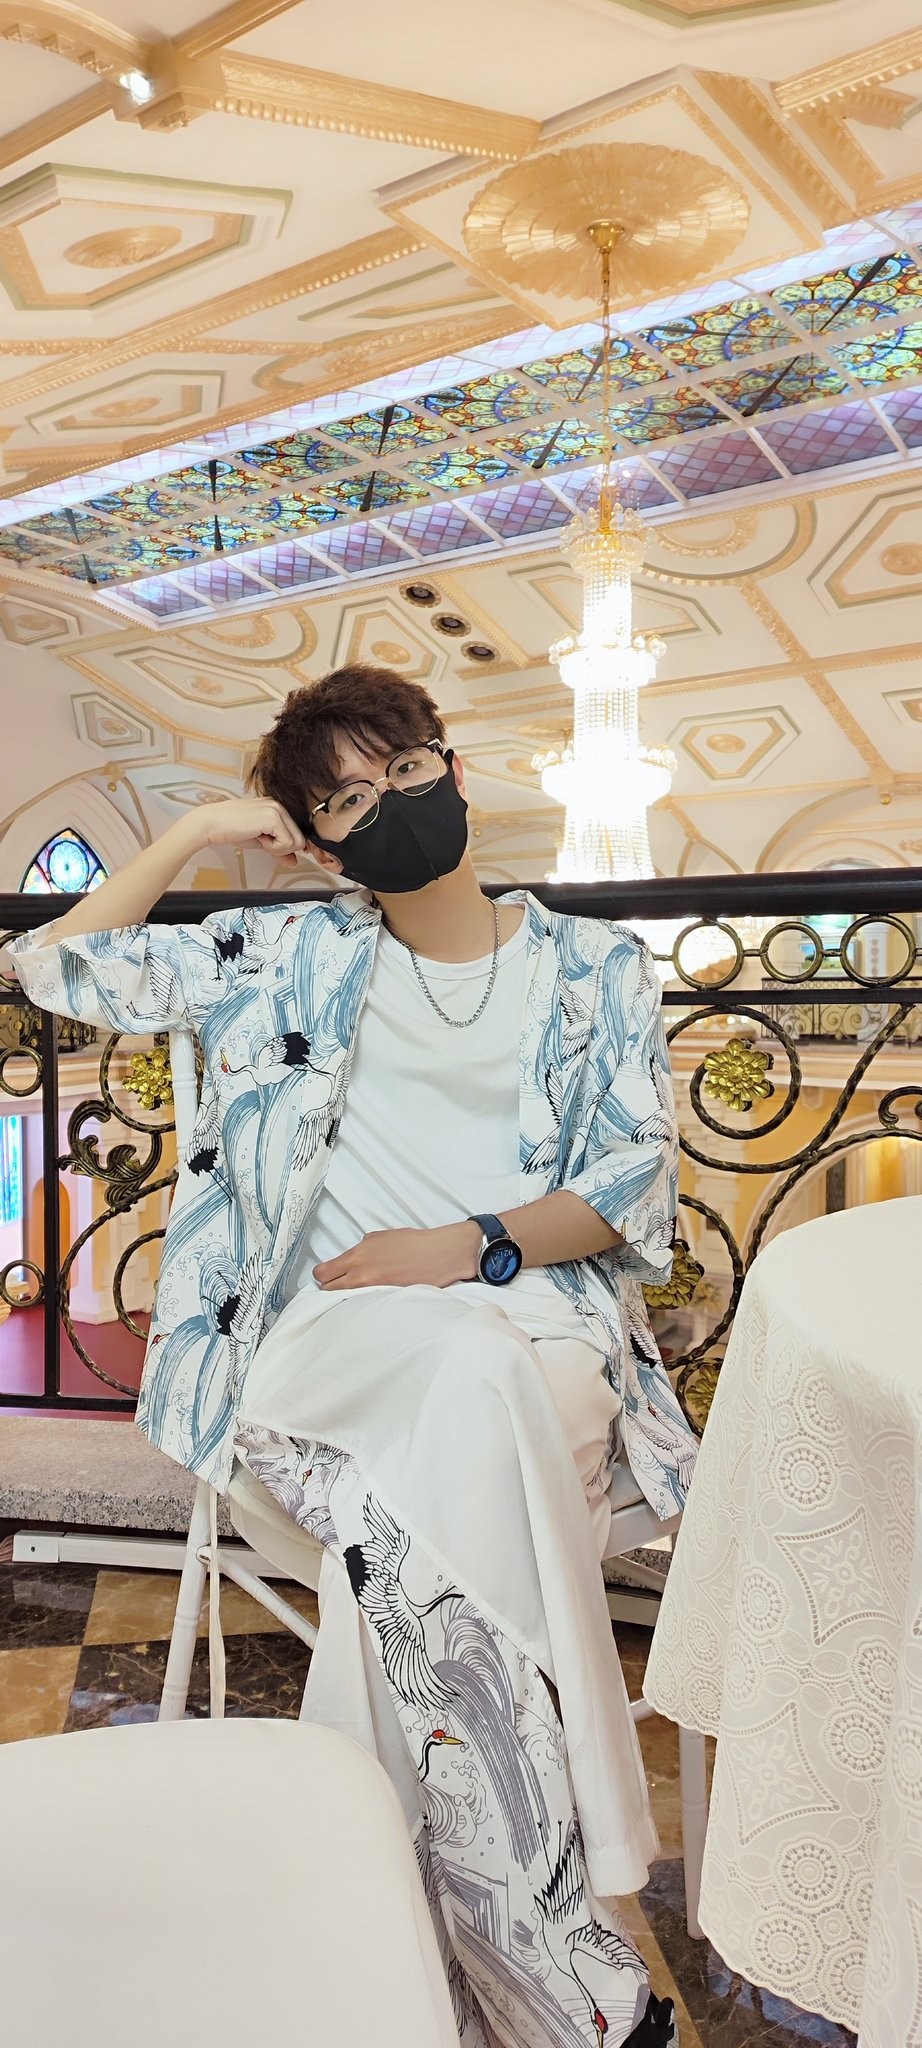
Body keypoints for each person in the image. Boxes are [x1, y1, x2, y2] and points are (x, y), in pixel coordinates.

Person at [11, 664, 695, 2048]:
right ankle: (554, 1944)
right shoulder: (287, 956)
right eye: (343, 798)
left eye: (404, 770)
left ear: (455, 769)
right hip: (323, 1340)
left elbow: (632, 1190)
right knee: (470, 1397)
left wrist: (459, 1246)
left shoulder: (594, 968)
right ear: (319, 842)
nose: (386, 803)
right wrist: (200, 828)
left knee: (444, 1458)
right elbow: (51, 965)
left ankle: (473, 1951)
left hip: (529, 1314)